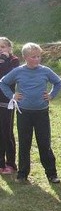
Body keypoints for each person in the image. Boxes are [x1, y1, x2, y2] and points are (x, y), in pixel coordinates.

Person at [0, 42, 61, 183]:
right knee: (24, 144)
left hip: (41, 113)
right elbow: (3, 82)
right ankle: (22, 174)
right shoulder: (18, 71)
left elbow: (58, 82)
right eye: (33, 57)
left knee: (44, 143)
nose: (37, 59)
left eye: (39, 56)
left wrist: (51, 95)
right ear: (25, 57)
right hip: (24, 113)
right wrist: (12, 96)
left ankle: (52, 174)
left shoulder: (45, 71)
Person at [0, 37, 20, 174]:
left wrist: (5, 60)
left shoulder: (14, 60)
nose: (0, 49)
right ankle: (0, 164)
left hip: (7, 101)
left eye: (3, 47)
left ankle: (11, 163)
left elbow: (9, 76)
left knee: (6, 132)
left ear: (9, 48)